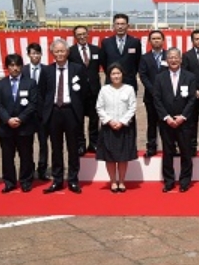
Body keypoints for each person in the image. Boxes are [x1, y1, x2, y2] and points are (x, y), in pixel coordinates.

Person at [39, 39, 87, 195]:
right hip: (54, 112)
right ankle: (57, 180)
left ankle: (73, 180)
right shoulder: (47, 71)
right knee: (56, 148)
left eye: (62, 51)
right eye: (56, 51)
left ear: (67, 52)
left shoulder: (77, 69)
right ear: (52, 53)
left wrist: (79, 110)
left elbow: (84, 92)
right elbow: (42, 92)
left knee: (73, 148)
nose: (59, 54)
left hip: (71, 111)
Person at [153, 48, 197, 192]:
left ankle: (185, 181)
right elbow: (157, 99)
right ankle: (169, 181)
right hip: (167, 122)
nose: (173, 60)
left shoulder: (189, 77)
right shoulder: (159, 77)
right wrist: (167, 117)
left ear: (180, 59)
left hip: (184, 122)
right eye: (170, 57)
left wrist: (183, 117)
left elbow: (192, 99)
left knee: (186, 152)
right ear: (167, 60)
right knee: (168, 152)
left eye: (176, 57)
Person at [0, 53, 38, 193]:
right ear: (7, 67)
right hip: (6, 128)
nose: (15, 68)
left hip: (24, 126)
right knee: (7, 156)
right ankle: (9, 181)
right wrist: (8, 119)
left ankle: (25, 180)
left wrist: (21, 118)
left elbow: (33, 103)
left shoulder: (30, 83)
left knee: (26, 155)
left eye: (18, 65)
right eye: (12, 65)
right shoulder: (0, 84)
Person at [96, 63, 138, 192]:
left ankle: (121, 181)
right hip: (108, 127)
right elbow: (99, 107)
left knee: (123, 157)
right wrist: (109, 121)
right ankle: (113, 181)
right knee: (109, 157)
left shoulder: (129, 89)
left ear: (122, 74)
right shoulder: (104, 90)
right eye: (113, 74)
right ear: (109, 75)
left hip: (124, 127)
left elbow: (132, 107)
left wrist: (122, 122)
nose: (116, 76)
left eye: (118, 73)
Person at [68, 25, 102, 157]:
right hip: (78, 92)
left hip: (94, 91)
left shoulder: (96, 50)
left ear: (88, 34)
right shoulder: (71, 52)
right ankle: (80, 144)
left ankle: (94, 143)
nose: (81, 37)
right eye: (78, 35)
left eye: (84, 34)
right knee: (78, 119)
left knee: (94, 119)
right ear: (75, 37)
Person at [138, 29, 167, 158]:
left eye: (158, 38)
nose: (156, 41)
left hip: (168, 97)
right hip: (151, 97)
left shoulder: (169, 55)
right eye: (153, 39)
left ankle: (169, 146)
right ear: (150, 41)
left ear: (163, 40)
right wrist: (153, 90)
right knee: (152, 123)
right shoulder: (145, 58)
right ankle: (151, 147)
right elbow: (143, 75)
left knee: (166, 123)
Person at [22, 42, 49, 180]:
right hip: (27, 114)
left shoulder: (47, 70)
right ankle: (29, 168)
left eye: (38, 53)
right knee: (27, 143)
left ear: (41, 54)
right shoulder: (23, 70)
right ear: (28, 55)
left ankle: (43, 169)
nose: (36, 56)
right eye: (33, 53)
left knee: (43, 143)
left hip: (43, 113)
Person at [100, 13, 142, 91]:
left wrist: (130, 74)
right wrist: (113, 74)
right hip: (111, 82)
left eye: (123, 24)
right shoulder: (106, 42)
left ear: (128, 26)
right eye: (117, 24)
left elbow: (138, 61)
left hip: (129, 82)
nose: (120, 27)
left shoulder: (135, 42)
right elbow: (104, 61)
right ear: (114, 26)